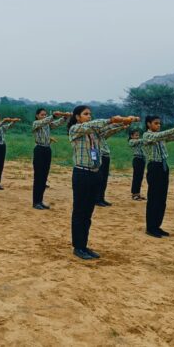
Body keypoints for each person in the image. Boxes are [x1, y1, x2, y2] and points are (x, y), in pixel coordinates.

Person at [68, 106, 132, 260]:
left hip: (94, 173)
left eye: (90, 114)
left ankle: (84, 245)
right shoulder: (75, 129)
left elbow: (108, 130)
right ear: (77, 117)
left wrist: (124, 122)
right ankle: (78, 247)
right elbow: (93, 125)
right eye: (85, 114)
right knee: (80, 212)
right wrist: (111, 119)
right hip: (82, 173)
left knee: (88, 213)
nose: (89, 116)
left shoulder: (94, 133)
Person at [142, 116, 174, 238]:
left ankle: (157, 226)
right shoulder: (147, 135)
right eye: (156, 123)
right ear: (148, 124)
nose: (158, 125)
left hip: (163, 167)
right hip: (154, 167)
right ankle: (150, 227)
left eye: (159, 123)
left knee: (162, 199)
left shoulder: (161, 135)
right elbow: (161, 135)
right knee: (154, 199)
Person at [31, 109, 70, 209]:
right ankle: (36, 202)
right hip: (39, 150)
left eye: (45, 115)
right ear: (37, 116)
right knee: (38, 177)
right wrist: (53, 115)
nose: (44, 116)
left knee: (44, 177)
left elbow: (56, 124)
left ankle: (40, 201)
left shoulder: (48, 124)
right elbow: (46, 121)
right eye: (42, 115)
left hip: (47, 150)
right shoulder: (36, 123)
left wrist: (65, 117)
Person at [95, 119, 135, 207]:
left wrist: (122, 127)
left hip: (105, 157)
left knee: (104, 179)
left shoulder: (101, 136)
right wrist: (121, 124)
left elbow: (110, 132)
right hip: (100, 156)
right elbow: (109, 129)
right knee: (100, 179)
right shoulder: (95, 135)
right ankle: (97, 199)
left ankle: (101, 198)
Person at [0, 114, 20, 190]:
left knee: (0, 165)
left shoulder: (2, 126)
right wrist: (4, 121)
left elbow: (8, 126)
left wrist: (13, 122)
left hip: (3, 146)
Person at [128, 128, 146, 201]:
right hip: (137, 160)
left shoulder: (138, 141)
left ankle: (138, 194)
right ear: (132, 136)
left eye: (138, 135)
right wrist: (147, 138)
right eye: (136, 135)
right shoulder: (131, 141)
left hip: (142, 160)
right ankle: (134, 194)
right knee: (136, 177)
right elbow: (140, 141)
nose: (138, 136)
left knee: (140, 177)